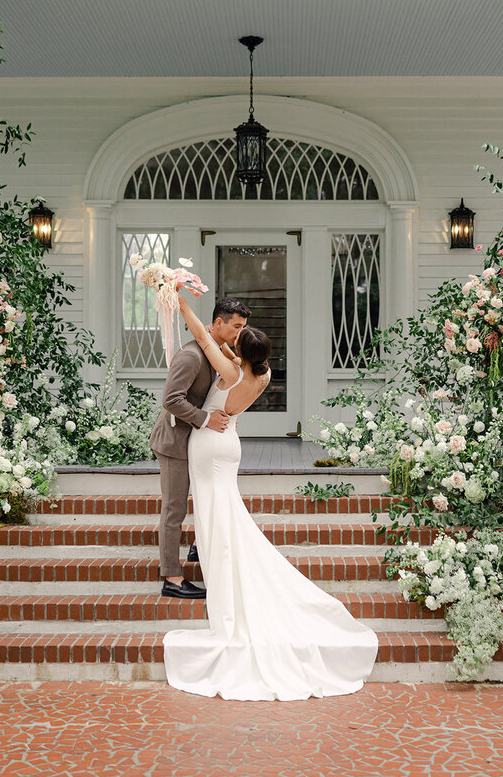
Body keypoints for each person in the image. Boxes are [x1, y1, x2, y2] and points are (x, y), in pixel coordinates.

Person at [164, 292, 379, 701]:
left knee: (215, 512)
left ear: (239, 354)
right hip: (230, 448)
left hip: (210, 444)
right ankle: (210, 554)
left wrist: (182, 301)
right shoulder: (260, 376)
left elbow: (200, 335)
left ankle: (217, 564)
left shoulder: (229, 372)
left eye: (240, 338)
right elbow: (227, 348)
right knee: (225, 512)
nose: (234, 338)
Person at [149, 297, 251, 598]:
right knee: (174, 509)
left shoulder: (218, 350)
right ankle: (172, 577)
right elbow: (170, 400)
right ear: (218, 323)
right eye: (235, 326)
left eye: (243, 327)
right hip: (174, 442)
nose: (239, 333)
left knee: (210, 496)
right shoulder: (191, 356)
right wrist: (206, 419)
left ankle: (198, 547)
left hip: (198, 443)